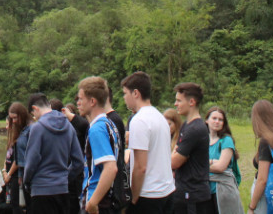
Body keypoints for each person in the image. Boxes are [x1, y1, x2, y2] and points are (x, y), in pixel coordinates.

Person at [121, 71, 175, 213]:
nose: (124, 98)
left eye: (125, 93)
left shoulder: (139, 120)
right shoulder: (160, 117)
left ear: (136, 93)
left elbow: (140, 166)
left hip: (148, 195)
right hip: (167, 191)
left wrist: (133, 197)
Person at [23, 93, 84, 214]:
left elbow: (31, 161)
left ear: (35, 108)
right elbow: (79, 161)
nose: (35, 118)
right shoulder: (68, 126)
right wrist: (65, 177)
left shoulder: (37, 128)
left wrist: (26, 181)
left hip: (41, 190)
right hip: (62, 190)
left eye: (33, 114)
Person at [76, 77, 122, 214]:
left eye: (80, 98)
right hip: (108, 200)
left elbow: (110, 168)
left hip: (97, 202)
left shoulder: (97, 129)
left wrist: (93, 203)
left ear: (92, 101)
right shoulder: (109, 124)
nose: (78, 103)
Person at [170, 83, 212, 214]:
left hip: (193, 196)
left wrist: (176, 155)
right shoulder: (186, 126)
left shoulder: (196, 129)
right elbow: (175, 153)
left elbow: (174, 162)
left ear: (192, 102)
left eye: (179, 100)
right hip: (183, 192)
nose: (175, 104)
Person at [204, 107, 242, 214]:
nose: (217, 122)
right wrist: (213, 162)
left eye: (220, 120)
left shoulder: (226, 140)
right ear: (207, 120)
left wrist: (204, 164)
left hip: (223, 191)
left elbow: (221, 167)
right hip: (205, 191)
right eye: (214, 118)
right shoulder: (202, 140)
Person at [3, 102, 30, 214]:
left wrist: (9, 174)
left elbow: (18, 160)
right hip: (12, 174)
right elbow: (7, 157)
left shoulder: (24, 135)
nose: (7, 126)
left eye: (14, 119)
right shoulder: (13, 137)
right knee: (13, 203)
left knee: (17, 204)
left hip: (15, 174)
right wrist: (4, 170)